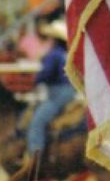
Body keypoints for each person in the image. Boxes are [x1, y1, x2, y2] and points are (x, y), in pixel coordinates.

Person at [26, 19, 77, 157]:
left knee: (37, 121)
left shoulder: (53, 54)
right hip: (70, 91)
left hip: (57, 93)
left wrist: (35, 80)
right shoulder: (67, 53)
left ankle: (35, 156)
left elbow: (46, 73)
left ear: (54, 38)